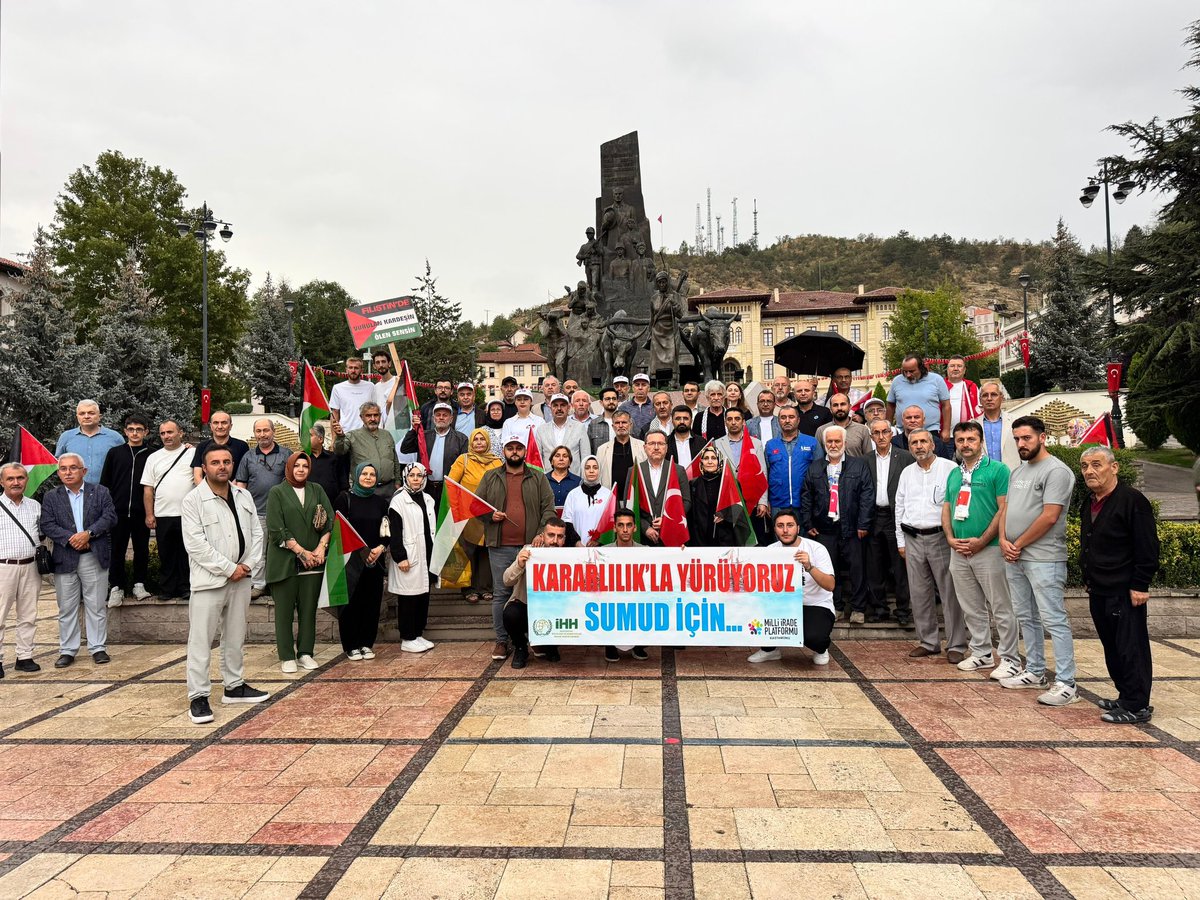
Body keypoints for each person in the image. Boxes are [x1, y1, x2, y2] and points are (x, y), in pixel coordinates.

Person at [180, 445, 268, 724]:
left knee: (235, 635)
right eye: (215, 462)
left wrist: (248, 566)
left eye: (227, 461)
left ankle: (234, 686)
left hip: (241, 579)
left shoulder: (243, 496)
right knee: (201, 640)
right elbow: (196, 545)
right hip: (210, 582)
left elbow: (256, 534)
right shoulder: (193, 500)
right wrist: (229, 568)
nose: (222, 466)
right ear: (204, 467)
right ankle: (199, 696)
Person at [998, 415, 1078, 705]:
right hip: (1014, 556)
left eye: (1027, 438)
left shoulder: (1057, 471)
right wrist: (1003, 540)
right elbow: (1007, 509)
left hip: (1044, 558)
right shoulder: (1018, 472)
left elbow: (1050, 516)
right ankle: (1034, 670)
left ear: (1042, 437)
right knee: (1026, 617)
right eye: (1017, 439)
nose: (1021, 443)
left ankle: (1067, 683)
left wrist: (1016, 543)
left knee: (1053, 620)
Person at [1079, 446, 1160, 723]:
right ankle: (1125, 695)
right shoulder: (1090, 501)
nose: (1090, 471)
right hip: (1099, 588)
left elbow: (1147, 546)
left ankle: (1137, 705)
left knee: (1131, 647)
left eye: (1097, 465)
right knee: (1112, 646)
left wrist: (1140, 584)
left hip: (1125, 591)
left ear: (1114, 468)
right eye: (1085, 466)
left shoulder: (1132, 501)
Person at [942, 421, 1021, 679]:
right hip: (959, 550)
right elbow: (947, 508)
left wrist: (983, 540)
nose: (965, 444)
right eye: (961, 439)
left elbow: (1003, 509)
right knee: (971, 606)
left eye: (971, 439)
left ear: (981, 441)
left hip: (989, 549)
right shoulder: (955, 473)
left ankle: (1010, 658)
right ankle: (982, 653)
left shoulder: (998, 470)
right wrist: (950, 539)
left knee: (1001, 606)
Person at [475, 432, 555, 660]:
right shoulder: (491, 476)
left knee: (533, 594)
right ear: (504, 451)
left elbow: (548, 507)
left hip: (531, 547)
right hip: (499, 545)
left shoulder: (538, 477)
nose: (515, 452)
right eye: (510, 448)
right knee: (501, 593)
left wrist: (541, 534)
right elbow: (476, 506)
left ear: (524, 451)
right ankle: (502, 641)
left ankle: (534, 638)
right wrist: (491, 515)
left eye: (518, 448)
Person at [895, 430, 966, 662]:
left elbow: (958, 502)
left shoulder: (950, 469)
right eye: (914, 442)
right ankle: (928, 641)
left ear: (933, 444)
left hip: (940, 538)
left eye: (923, 441)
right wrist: (900, 541)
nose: (918, 446)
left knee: (949, 593)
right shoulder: (907, 472)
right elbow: (899, 507)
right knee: (919, 594)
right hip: (912, 539)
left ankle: (956, 644)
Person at [40, 453, 117, 668]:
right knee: (66, 608)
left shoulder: (100, 492)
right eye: (63, 468)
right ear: (58, 473)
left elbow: (110, 517)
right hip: (65, 557)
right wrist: (71, 538)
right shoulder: (51, 497)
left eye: (73, 468)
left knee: (96, 605)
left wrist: (89, 534)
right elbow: (47, 524)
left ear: (83, 471)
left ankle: (98, 648)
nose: (68, 472)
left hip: (93, 555)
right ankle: (68, 650)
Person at [265, 452, 333, 674]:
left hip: (314, 562)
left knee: (308, 611)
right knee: (284, 613)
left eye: (305, 466)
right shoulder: (277, 492)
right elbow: (276, 528)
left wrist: (320, 548)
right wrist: (302, 552)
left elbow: (329, 521)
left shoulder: (317, 490)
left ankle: (305, 653)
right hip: (285, 562)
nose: (301, 469)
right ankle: (287, 655)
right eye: (297, 466)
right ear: (289, 468)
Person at [800, 425, 874, 623]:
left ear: (845, 443)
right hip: (825, 528)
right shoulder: (815, 467)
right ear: (824, 444)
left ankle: (858, 609)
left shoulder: (858, 466)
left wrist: (863, 524)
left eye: (837, 441)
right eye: (829, 442)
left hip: (852, 528)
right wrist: (808, 524)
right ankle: (837, 606)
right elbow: (806, 497)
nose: (833, 445)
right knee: (829, 568)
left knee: (857, 569)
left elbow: (867, 496)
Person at [747, 510, 837, 666]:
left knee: (814, 637)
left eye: (790, 525)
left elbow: (830, 585)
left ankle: (821, 649)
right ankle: (769, 650)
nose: (785, 530)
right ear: (774, 529)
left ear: (798, 527)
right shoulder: (770, 551)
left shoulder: (816, 549)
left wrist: (809, 567)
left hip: (814, 604)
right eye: (780, 526)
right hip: (783, 604)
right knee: (751, 609)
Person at [334, 463, 389, 660]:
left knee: (371, 603)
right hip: (350, 561)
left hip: (374, 561)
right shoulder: (344, 499)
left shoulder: (381, 502)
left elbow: (386, 530)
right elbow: (338, 529)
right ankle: (351, 645)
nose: (368, 477)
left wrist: (380, 548)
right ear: (356, 476)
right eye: (364, 474)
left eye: (372, 474)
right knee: (350, 604)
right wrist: (359, 551)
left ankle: (367, 643)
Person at [100, 413, 153, 606]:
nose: (135, 433)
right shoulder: (115, 453)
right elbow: (105, 483)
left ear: (145, 431)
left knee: (141, 549)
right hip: (117, 512)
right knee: (117, 550)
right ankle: (117, 587)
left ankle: (139, 584)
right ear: (125, 431)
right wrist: (107, 510)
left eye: (139, 429)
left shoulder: (152, 454)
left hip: (142, 512)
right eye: (131, 429)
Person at [234, 419, 290, 599]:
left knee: (280, 550)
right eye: (258, 431)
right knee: (258, 551)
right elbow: (241, 484)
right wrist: (243, 509)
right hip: (256, 512)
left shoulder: (286, 454)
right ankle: (258, 584)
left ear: (273, 431)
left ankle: (277, 584)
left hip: (280, 513)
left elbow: (292, 481)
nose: (262, 434)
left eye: (266, 430)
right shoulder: (248, 457)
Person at [865, 419, 913, 627]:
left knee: (899, 566)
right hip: (875, 516)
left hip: (897, 517)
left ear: (892, 433)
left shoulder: (906, 458)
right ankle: (879, 608)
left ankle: (903, 610)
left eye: (885, 431)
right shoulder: (864, 460)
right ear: (871, 436)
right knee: (875, 565)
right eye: (876, 432)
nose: (881, 436)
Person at [141, 420, 195, 601]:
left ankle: (186, 588)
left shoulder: (192, 453)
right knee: (166, 553)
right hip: (163, 514)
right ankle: (168, 589)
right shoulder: (153, 458)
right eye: (163, 433)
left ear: (180, 433)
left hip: (187, 514)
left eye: (170, 432)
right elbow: (148, 489)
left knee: (186, 553)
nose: (166, 436)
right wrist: (149, 514)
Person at [502, 519, 567, 669]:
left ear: (564, 538)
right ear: (542, 536)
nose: (555, 541)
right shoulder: (529, 551)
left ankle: (550, 645)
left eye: (560, 536)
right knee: (511, 614)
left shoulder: (569, 556)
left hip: (556, 609)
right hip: (527, 607)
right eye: (551, 535)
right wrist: (519, 564)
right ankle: (520, 648)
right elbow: (506, 580)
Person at [447, 428, 502, 604]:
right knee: (468, 551)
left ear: (488, 442)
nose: (479, 442)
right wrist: (455, 510)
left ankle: (485, 588)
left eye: (482, 439)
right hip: (467, 515)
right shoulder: (463, 460)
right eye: (476, 439)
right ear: (471, 442)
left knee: (486, 551)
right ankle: (468, 588)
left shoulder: (497, 462)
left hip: (489, 515)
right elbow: (451, 485)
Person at [388, 462, 438, 653]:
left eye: (419, 476)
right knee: (408, 598)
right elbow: (394, 531)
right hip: (408, 556)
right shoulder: (398, 501)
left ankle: (417, 634)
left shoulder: (428, 499)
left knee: (423, 595)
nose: (416, 479)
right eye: (412, 476)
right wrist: (400, 556)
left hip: (426, 553)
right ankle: (407, 638)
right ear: (405, 477)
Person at [0, 463, 43, 676]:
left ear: (26, 480)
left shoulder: (35, 505)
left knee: (28, 614)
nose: (16, 482)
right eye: (10, 479)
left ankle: (24, 656)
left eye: (20, 478)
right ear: (2, 482)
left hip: (30, 566)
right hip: (3, 567)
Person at [602, 508, 650, 663]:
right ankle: (609, 645)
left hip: (636, 596)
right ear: (614, 528)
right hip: (612, 597)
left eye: (629, 525)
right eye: (620, 525)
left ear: (635, 527)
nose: (624, 529)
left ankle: (638, 645)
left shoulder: (646, 552)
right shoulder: (602, 552)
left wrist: (683, 553)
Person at [402, 402, 468, 507]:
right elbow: (405, 448)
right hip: (425, 487)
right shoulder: (423, 436)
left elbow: (465, 467)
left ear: (451, 419)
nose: (441, 418)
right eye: (438, 415)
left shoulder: (461, 439)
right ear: (433, 418)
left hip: (448, 489)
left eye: (445, 415)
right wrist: (413, 430)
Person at [635, 432, 691, 547]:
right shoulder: (635, 470)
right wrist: (645, 528)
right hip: (644, 539)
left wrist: (667, 521)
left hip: (672, 535)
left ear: (666, 448)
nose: (656, 447)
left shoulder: (678, 471)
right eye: (651, 443)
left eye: (660, 443)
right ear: (645, 447)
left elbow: (686, 502)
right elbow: (630, 506)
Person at [765, 406, 823, 513]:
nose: (787, 420)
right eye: (783, 417)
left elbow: (820, 474)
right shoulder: (770, 445)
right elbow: (766, 474)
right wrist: (765, 501)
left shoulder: (812, 442)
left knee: (805, 530)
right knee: (780, 530)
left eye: (791, 417)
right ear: (778, 421)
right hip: (777, 504)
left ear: (798, 420)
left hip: (805, 503)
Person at [333, 401, 398, 496]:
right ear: (361, 417)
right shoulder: (352, 435)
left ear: (380, 416)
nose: (372, 419)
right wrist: (339, 437)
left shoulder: (387, 435)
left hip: (389, 489)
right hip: (364, 490)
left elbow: (394, 460)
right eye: (368, 415)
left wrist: (397, 481)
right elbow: (339, 451)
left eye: (376, 415)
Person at [55, 399, 125, 485]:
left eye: (91, 413)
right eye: (82, 413)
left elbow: (124, 465)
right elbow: (58, 464)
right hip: (74, 493)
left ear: (99, 416)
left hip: (108, 492)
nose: (86, 416)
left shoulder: (115, 438)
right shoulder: (66, 437)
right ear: (77, 416)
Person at [887, 355, 951, 447]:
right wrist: (888, 428)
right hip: (903, 433)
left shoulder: (936, 380)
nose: (908, 374)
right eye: (905, 371)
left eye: (912, 371)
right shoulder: (897, 381)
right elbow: (890, 405)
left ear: (921, 368)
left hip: (930, 431)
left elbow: (946, 405)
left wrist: (946, 430)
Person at [687, 446, 737, 546]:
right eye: (706, 458)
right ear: (701, 462)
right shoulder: (693, 484)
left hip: (725, 537)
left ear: (719, 461)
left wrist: (725, 515)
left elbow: (739, 509)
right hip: (700, 539)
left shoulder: (729, 482)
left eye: (714, 458)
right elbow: (689, 515)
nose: (710, 462)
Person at [562, 455, 612, 547]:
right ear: (582, 470)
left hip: (602, 549)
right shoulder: (573, 494)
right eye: (587, 468)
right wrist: (577, 542)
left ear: (600, 470)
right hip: (577, 548)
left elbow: (612, 522)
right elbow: (567, 522)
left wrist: (599, 541)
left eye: (595, 467)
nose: (591, 471)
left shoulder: (609, 495)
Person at [596, 410, 646, 500]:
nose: (621, 425)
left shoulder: (642, 446)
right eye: (617, 423)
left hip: (636, 499)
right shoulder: (602, 450)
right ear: (613, 426)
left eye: (624, 422)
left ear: (630, 425)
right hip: (611, 499)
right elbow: (599, 477)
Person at [190, 410, 249, 484]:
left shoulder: (242, 446)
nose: (220, 426)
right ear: (211, 426)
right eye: (216, 423)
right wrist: (208, 493)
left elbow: (242, 474)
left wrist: (228, 491)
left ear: (230, 426)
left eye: (224, 423)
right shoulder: (202, 446)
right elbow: (197, 476)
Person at [535, 395, 590, 475]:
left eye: (563, 405)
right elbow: (538, 458)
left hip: (574, 479)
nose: (559, 409)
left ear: (569, 407)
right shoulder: (541, 430)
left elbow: (586, 456)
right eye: (555, 405)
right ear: (550, 408)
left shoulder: (579, 427)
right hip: (548, 480)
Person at [972, 380, 1018, 470]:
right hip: (983, 478)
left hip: (1011, 475)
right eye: (985, 395)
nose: (989, 398)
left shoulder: (1016, 422)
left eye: (994, 394)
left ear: (1002, 397)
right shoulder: (972, 425)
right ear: (980, 400)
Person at [328, 357, 377, 433]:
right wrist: (334, 437)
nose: (353, 370)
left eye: (356, 368)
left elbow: (376, 411)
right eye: (350, 367)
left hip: (366, 433)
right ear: (346, 369)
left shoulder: (370, 386)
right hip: (345, 433)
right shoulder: (337, 388)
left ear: (361, 370)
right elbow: (335, 415)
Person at [815, 393, 872, 457]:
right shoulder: (821, 431)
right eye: (835, 405)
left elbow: (869, 457)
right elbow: (818, 460)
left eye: (843, 404)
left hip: (857, 467)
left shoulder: (862, 430)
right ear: (830, 409)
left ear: (850, 406)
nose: (839, 408)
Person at [306, 423, 342, 506]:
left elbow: (342, 485)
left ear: (320, 439)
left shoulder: (334, 458)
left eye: (310, 435)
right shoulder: (300, 459)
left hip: (331, 506)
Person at [945, 355, 981, 429]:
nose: (955, 369)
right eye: (952, 366)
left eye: (959, 366)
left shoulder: (971, 386)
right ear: (947, 369)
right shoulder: (940, 386)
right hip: (944, 434)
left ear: (964, 370)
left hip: (967, 433)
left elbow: (979, 409)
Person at [667, 405, 707, 470]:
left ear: (691, 421)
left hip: (695, 479)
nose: (682, 422)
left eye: (685, 418)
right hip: (674, 479)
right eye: (678, 418)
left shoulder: (702, 442)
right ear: (672, 421)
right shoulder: (665, 442)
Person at [545, 446, 581, 512]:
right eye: (557, 456)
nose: (561, 459)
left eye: (565, 456)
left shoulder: (578, 482)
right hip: (548, 520)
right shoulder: (543, 480)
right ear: (551, 461)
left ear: (569, 462)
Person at [587, 387, 620, 452]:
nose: (611, 401)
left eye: (614, 399)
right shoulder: (594, 424)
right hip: (600, 461)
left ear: (618, 401)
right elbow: (589, 448)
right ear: (601, 402)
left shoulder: (628, 421)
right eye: (607, 399)